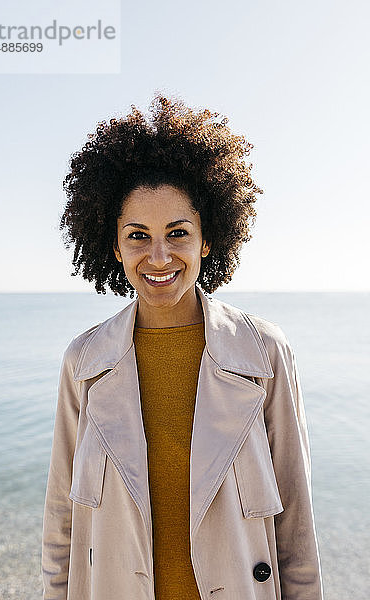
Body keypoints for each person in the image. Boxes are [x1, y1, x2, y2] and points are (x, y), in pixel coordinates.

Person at [41, 93, 324, 600]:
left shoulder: (265, 354)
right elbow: (61, 523)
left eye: (177, 233)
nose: (158, 256)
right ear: (114, 245)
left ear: (207, 239)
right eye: (137, 235)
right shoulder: (83, 362)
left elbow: (297, 532)